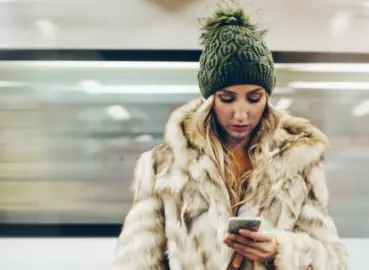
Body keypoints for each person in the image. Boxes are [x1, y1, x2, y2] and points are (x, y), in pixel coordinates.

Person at [112, 4, 348, 270]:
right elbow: (137, 259)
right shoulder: (165, 164)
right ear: (210, 100)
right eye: (227, 99)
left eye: (254, 98)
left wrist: (281, 248)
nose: (241, 114)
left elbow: (333, 258)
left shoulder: (298, 160)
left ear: (267, 98)